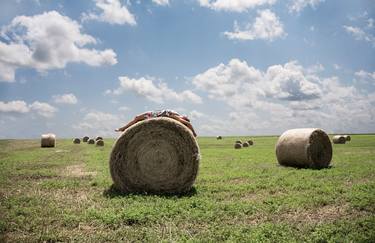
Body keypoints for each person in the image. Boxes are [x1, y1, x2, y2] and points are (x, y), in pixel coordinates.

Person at [115, 110, 197, 137]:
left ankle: (123, 129)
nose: (184, 118)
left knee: (137, 118)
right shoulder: (177, 115)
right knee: (137, 119)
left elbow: (188, 124)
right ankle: (123, 129)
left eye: (185, 118)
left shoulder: (178, 118)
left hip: (154, 116)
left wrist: (193, 133)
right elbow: (187, 124)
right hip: (155, 114)